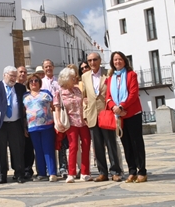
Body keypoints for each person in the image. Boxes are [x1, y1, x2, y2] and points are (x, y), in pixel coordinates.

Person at [107, 51, 147, 182]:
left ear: (124, 61)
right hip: (119, 116)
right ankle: (132, 171)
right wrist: (114, 107)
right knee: (126, 145)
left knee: (136, 143)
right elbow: (108, 97)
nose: (117, 62)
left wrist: (122, 107)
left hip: (132, 113)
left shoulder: (131, 75)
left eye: (119, 59)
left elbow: (133, 93)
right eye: (115, 60)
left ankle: (142, 171)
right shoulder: (110, 78)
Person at [81, 53, 120, 182]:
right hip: (92, 115)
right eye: (89, 60)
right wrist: (85, 113)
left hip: (106, 113)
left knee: (110, 144)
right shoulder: (85, 76)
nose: (92, 63)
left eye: (94, 60)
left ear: (100, 60)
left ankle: (115, 171)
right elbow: (85, 97)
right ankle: (102, 172)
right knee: (97, 146)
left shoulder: (108, 73)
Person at [54, 67, 90, 182]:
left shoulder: (77, 90)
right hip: (70, 122)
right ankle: (71, 173)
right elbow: (57, 108)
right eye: (72, 77)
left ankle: (85, 172)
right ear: (66, 78)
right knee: (73, 146)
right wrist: (59, 121)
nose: (74, 79)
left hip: (83, 121)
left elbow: (82, 102)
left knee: (86, 145)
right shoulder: (59, 92)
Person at [23, 74, 57, 181]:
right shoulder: (25, 96)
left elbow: (54, 107)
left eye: (36, 80)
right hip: (33, 127)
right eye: (31, 81)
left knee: (48, 149)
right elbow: (24, 113)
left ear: (39, 82)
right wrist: (24, 127)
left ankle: (52, 173)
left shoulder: (46, 93)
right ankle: (41, 173)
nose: (34, 82)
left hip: (47, 125)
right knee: (38, 150)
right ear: (28, 84)